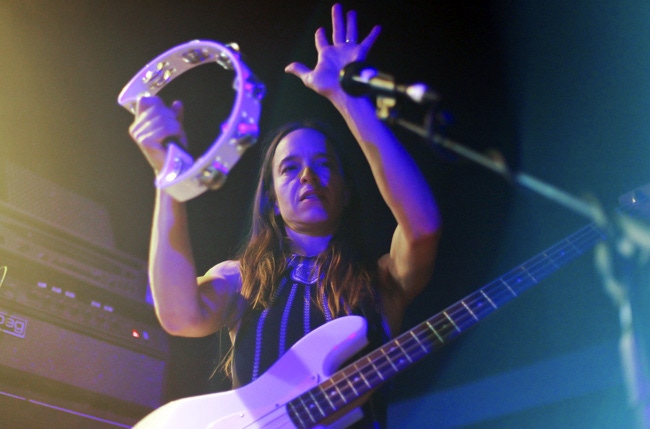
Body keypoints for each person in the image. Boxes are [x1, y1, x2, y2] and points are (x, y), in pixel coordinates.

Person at [128, 4, 441, 428]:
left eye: (324, 164)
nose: (308, 176)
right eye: (289, 167)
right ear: (273, 199)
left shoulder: (381, 281)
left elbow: (422, 227)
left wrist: (350, 101)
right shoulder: (241, 278)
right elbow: (179, 315)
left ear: (347, 191)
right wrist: (170, 178)